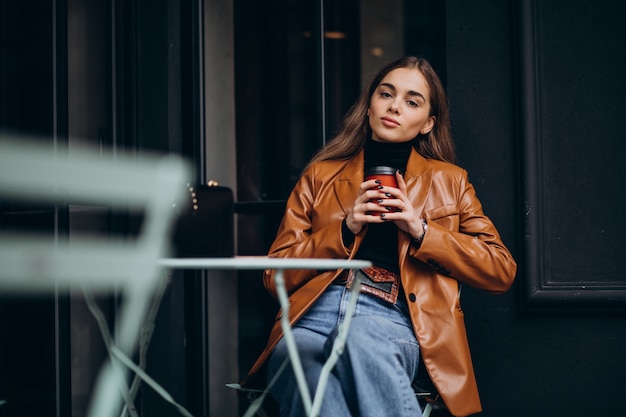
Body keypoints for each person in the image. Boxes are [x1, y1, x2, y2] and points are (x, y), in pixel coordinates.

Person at [241, 56, 517, 417]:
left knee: (360, 338)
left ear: (427, 124)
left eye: (412, 101)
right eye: (386, 94)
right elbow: (273, 274)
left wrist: (420, 230)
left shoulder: (450, 181)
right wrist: (345, 228)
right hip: (314, 313)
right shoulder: (319, 176)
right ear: (369, 105)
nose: (394, 106)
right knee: (299, 363)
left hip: (391, 316)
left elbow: (500, 270)